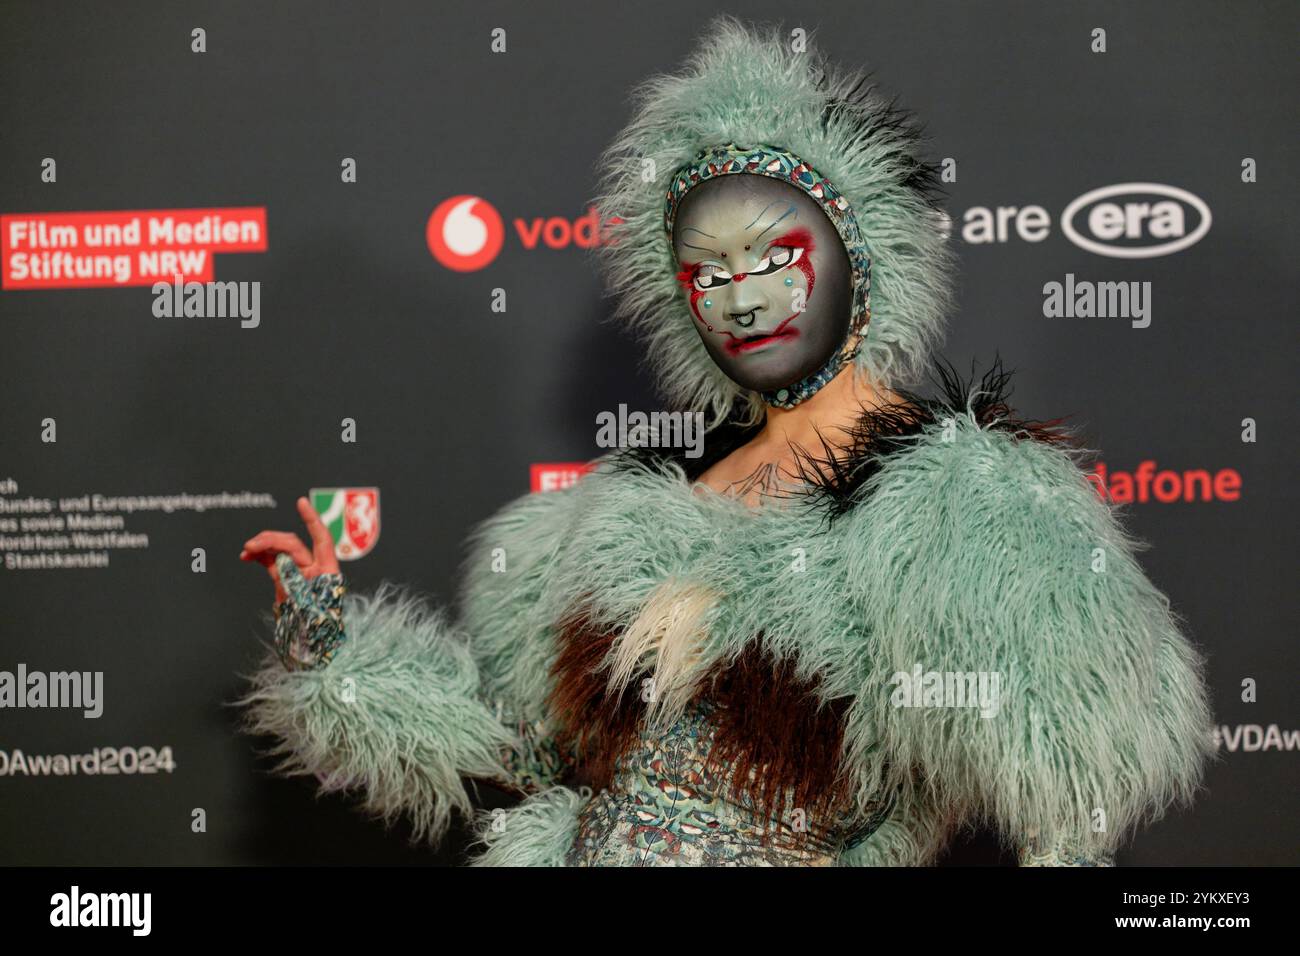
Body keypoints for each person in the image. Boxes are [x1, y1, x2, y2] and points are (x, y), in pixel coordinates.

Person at [239, 17, 1212, 866]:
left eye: (776, 259)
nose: (742, 298)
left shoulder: (970, 503)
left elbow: (1071, 798)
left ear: (859, 256)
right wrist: (330, 652)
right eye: (706, 274)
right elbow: (527, 753)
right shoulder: (628, 512)